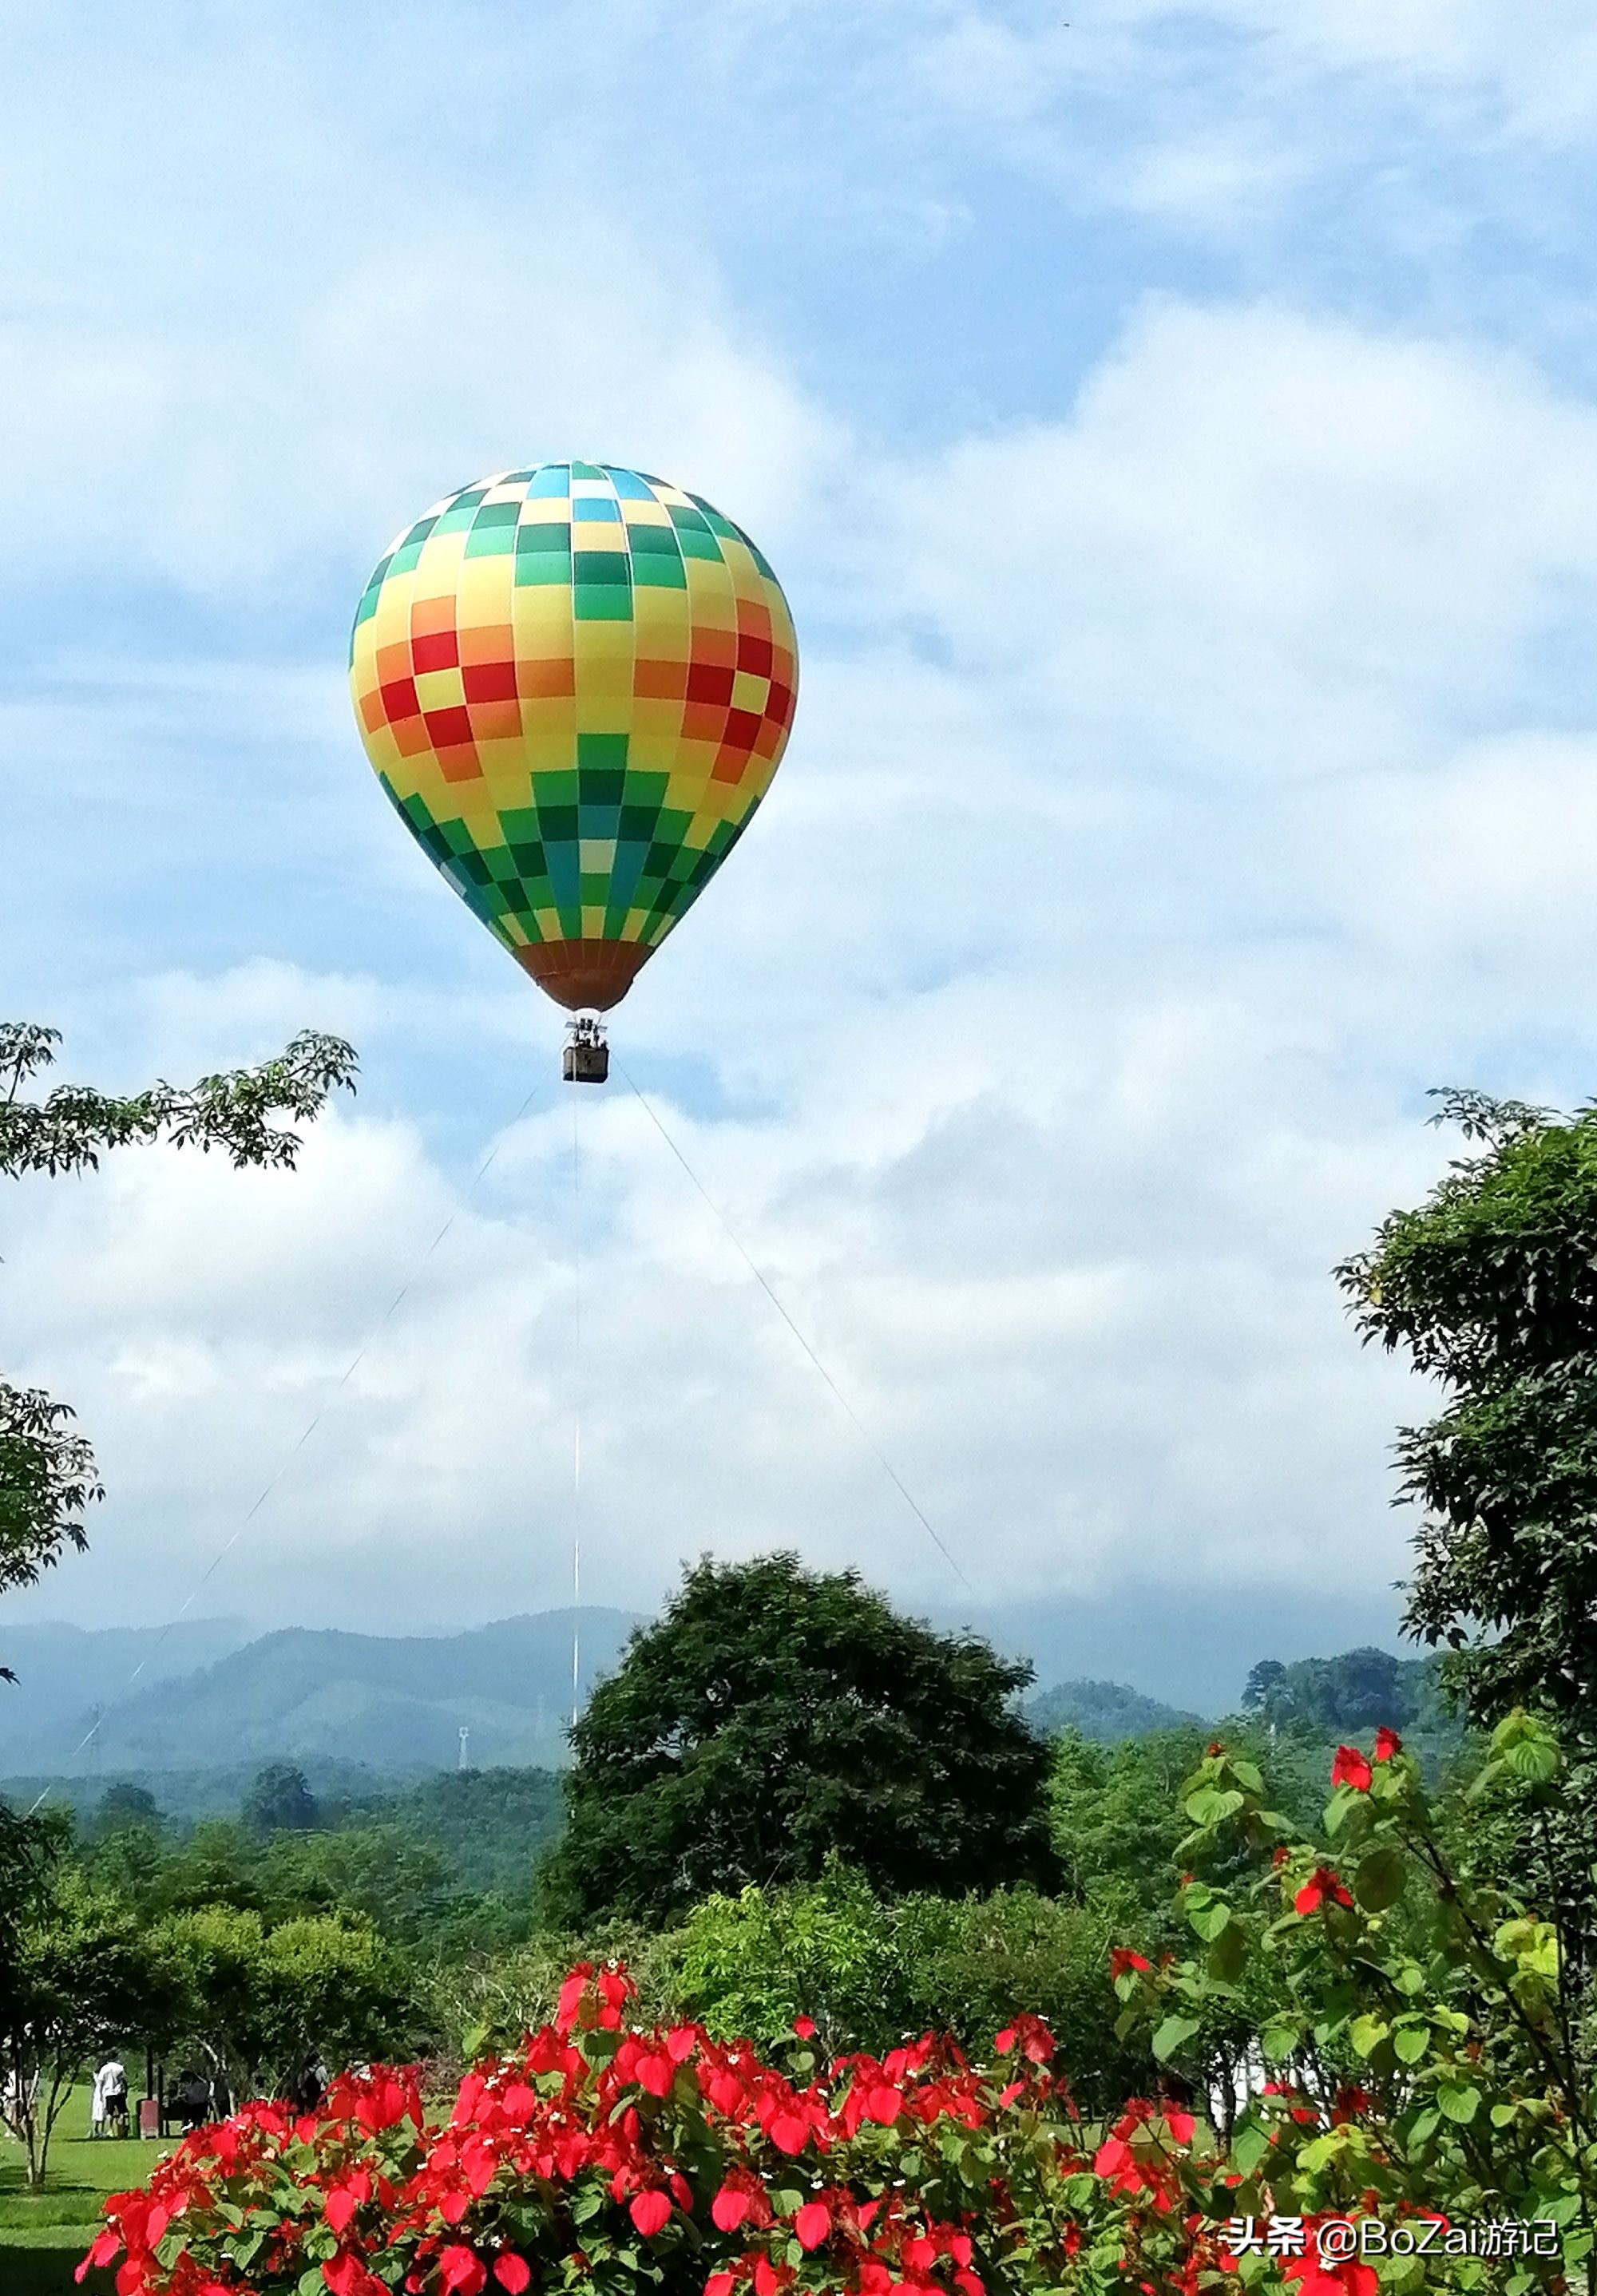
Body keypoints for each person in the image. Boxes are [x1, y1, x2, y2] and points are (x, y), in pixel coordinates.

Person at [98, 2054, 129, 2140]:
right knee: (122, 2112)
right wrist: (126, 2091)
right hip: (119, 2092)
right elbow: (124, 2080)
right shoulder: (120, 2068)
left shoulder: (104, 2068)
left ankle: (110, 2130)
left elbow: (100, 2082)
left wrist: (101, 2094)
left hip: (109, 2093)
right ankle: (121, 2131)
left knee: (109, 2113)